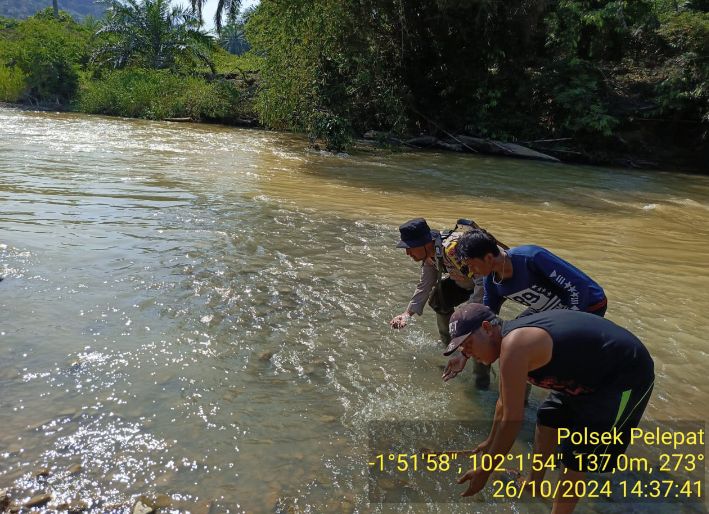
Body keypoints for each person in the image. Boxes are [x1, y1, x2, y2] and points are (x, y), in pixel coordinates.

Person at [444, 303, 654, 514]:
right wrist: (490, 442)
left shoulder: (515, 346)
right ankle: (534, 483)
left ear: (487, 328)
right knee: (548, 416)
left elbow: (512, 419)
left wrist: (485, 470)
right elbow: (504, 403)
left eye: (468, 343)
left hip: (625, 376)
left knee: (576, 455)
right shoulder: (508, 344)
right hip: (586, 372)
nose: (467, 352)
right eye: (462, 348)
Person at [442, 229, 607, 383]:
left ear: (488, 258)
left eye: (471, 264)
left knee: (560, 354)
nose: (471, 271)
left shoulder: (531, 258)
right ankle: (520, 394)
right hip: (549, 309)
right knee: (513, 336)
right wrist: (464, 353)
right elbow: (485, 320)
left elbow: (577, 288)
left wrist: (568, 329)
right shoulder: (491, 281)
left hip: (588, 303)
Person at [390, 218, 491, 388]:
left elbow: (484, 282)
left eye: (410, 247)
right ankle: (450, 345)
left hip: (489, 285)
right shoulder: (430, 255)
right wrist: (407, 314)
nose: (408, 253)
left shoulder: (453, 249)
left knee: (476, 328)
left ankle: (481, 381)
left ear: (424, 242)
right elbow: (424, 285)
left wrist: (469, 313)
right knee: (438, 298)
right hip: (466, 282)